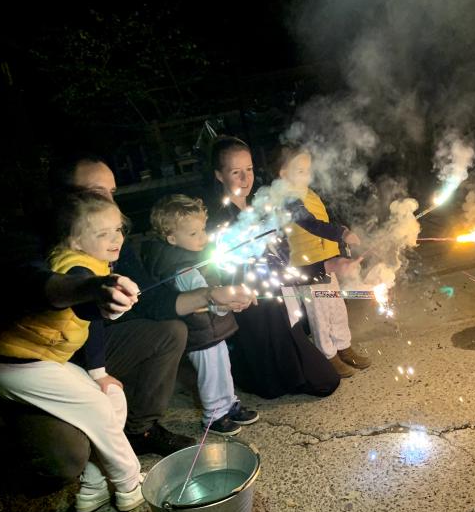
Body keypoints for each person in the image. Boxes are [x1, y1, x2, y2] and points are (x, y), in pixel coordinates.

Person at [0, 153, 254, 492]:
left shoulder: (112, 237)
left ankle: (141, 430)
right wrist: (91, 288)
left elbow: (152, 301)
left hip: (83, 350)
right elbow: (44, 285)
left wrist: (210, 295)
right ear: (65, 197)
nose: (111, 204)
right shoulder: (26, 238)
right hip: (30, 365)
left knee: (170, 331)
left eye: (113, 192)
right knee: (68, 459)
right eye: (98, 192)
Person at [0, 192, 144, 512]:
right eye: (103, 233)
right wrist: (99, 293)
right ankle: (130, 484)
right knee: (99, 408)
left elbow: (92, 311)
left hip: (43, 362)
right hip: (17, 365)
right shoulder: (74, 266)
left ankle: (93, 486)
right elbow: (78, 288)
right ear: (74, 239)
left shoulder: (96, 262)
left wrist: (108, 305)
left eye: (119, 229)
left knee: (112, 394)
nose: (116, 238)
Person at [210, 136, 341, 398]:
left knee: (326, 381)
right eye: (236, 172)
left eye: (248, 169)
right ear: (219, 175)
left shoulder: (260, 206)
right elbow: (225, 267)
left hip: (277, 294)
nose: (245, 179)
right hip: (252, 302)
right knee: (279, 383)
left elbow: (282, 255)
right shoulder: (219, 218)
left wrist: (318, 267)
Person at [142, 194, 259, 435]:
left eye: (203, 230)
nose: (203, 238)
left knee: (222, 366)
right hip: (200, 332)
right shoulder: (180, 266)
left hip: (211, 328)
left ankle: (228, 403)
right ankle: (213, 415)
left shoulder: (190, 255)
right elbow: (205, 294)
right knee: (211, 371)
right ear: (172, 237)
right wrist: (229, 302)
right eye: (193, 234)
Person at [275, 145, 371, 376]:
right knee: (320, 312)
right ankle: (327, 356)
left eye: (308, 170)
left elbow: (324, 219)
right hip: (308, 266)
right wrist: (341, 233)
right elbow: (310, 224)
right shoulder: (288, 199)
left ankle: (343, 347)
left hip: (325, 260)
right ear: (283, 173)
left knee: (336, 306)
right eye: (299, 170)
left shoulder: (309, 194)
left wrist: (341, 244)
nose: (306, 175)